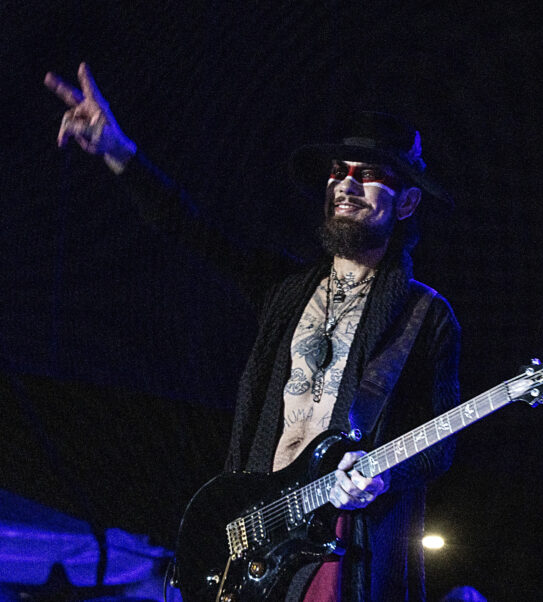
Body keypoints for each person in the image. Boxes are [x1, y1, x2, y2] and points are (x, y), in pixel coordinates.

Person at [44, 63, 461, 601]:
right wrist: (119, 151)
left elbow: (439, 447)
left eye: (370, 174)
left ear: (406, 202)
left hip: (336, 532)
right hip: (253, 521)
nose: (347, 184)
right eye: (339, 170)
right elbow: (191, 229)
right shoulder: (285, 288)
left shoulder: (424, 316)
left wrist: (381, 477)